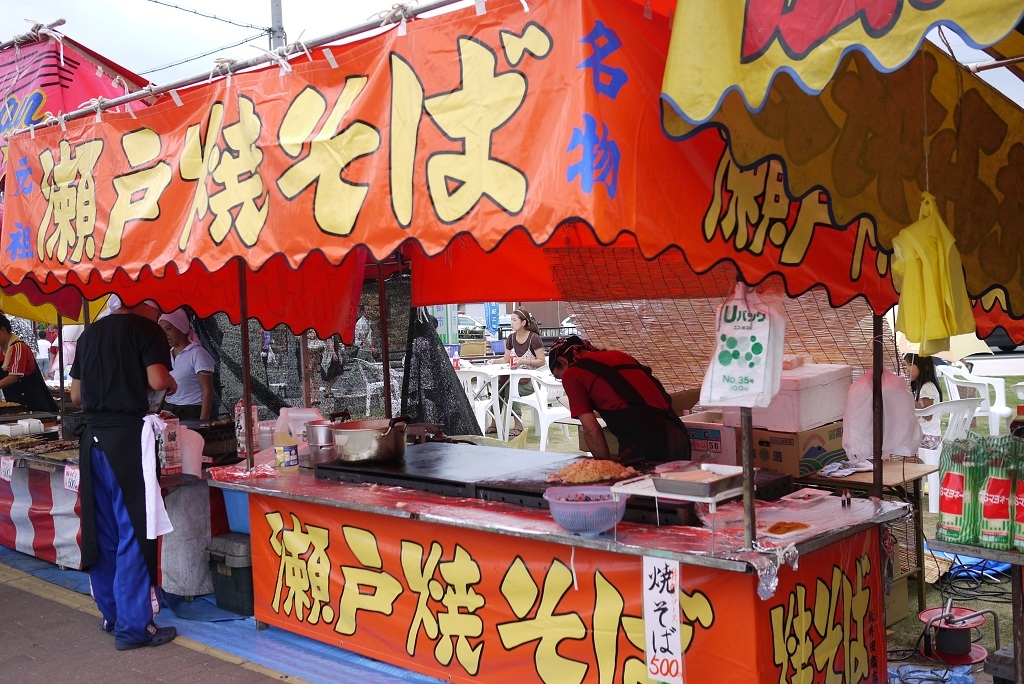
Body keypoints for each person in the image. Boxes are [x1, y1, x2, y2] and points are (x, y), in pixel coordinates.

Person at [69, 296, 178, 650]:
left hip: (92, 442)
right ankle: (134, 627)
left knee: (102, 531)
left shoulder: (89, 334)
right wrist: (168, 382)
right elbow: (158, 379)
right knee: (134, 529)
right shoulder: (146, 330)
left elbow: (76, 395)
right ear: (147, 304)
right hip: (127, 441)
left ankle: (112, 614)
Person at [549, 335, 691, 464]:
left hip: (646, 441)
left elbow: (591, 429)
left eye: (558, 376)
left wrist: (604, 469)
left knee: (636, 485)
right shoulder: (619, 355)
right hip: (678, 434)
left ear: (563, 361)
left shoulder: (572, 374)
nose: (562, 380)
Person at [487, 308, 545, 437]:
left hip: (532, 382)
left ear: (523, 322)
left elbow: (542, 361)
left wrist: (524, 361)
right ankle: (495, 423)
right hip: (515, 380)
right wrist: (494, 361)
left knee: (509, 388)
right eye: (511, 320)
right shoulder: (511, 338)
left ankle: (518, 424)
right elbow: (506, 359)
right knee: (499, 387)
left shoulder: (534, 338)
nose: (511, 323)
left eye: (514, 320)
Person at [158, 308, 216, 420]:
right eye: (161, 330)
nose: (165, 334)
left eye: (168, 328)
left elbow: (208, 391)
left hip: (191, 412)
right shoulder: (166, 354)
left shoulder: (197, 353)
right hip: (169, 410)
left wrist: (202, 422)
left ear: (180, 327)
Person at [0, 314, 58, 412]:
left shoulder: (18, 347)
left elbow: (13, 378)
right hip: (16, 403)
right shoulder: (2, 351)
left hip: (33, 404)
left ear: (3, 330)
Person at [904, 353, 944, 449]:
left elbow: (928, 416)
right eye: (905, 366)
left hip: (928, 437)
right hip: (926, 435)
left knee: (894, 440)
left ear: (925, 367)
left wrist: (910, 397)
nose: (907, 369)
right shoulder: (920, 387)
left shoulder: (927, 387)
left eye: (910, 365)